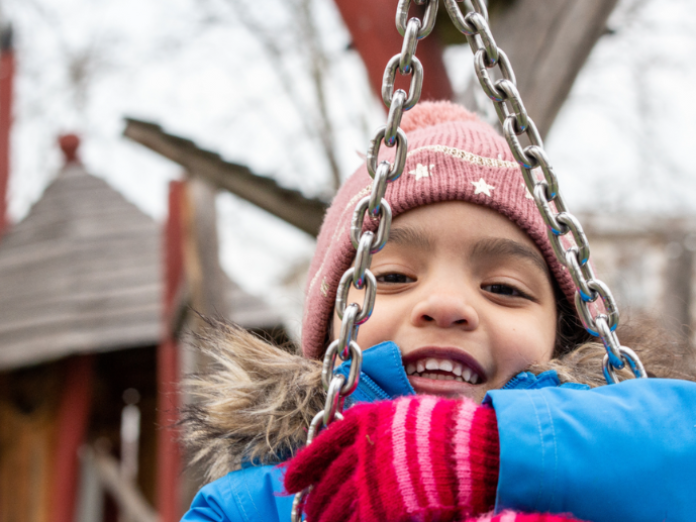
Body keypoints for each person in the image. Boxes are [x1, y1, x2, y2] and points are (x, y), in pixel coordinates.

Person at [180, 102, 696, 522]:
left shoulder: (613, 474)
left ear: (560, 336)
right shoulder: (256, 505)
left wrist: (491, 452)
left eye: (502, 287)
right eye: (395, 278)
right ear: (329, 331)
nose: (447, 305)